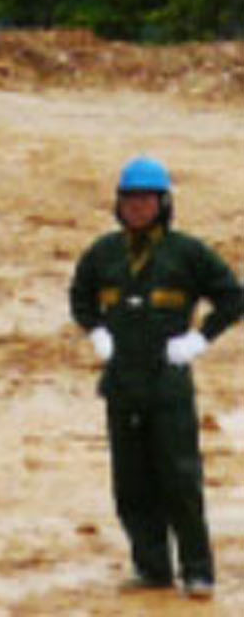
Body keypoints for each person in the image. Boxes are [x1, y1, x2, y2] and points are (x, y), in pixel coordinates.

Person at [70, 155, 244, 600]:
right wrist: (96, 331)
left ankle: (198, 570)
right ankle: (151, 568)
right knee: (131, 483)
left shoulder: (187, 253)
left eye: (146, 200)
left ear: (163, 203)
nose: (137, 208)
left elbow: (232, 297)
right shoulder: (104, 253)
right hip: (123, 385)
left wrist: (199, 340)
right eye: (130, 200)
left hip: (167, 387)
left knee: (180, 479)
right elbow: (80, 296)